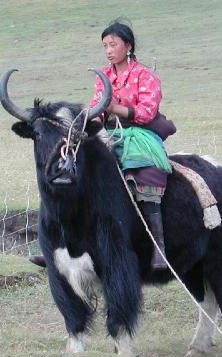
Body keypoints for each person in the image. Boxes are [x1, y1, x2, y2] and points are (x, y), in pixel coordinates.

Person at [29, 19, 172, 270]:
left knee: (147, 172)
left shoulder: (145, 76)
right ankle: (61, 246)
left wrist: (115, 108)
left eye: (113, 44)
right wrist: (90, 121)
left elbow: (148, 112)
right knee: (75, 168)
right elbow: (97, 105)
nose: (108, 50)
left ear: (128, 46)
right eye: (104, 45)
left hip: (139, 133)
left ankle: (158, 246)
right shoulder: (104, 76)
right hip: (105, 130)